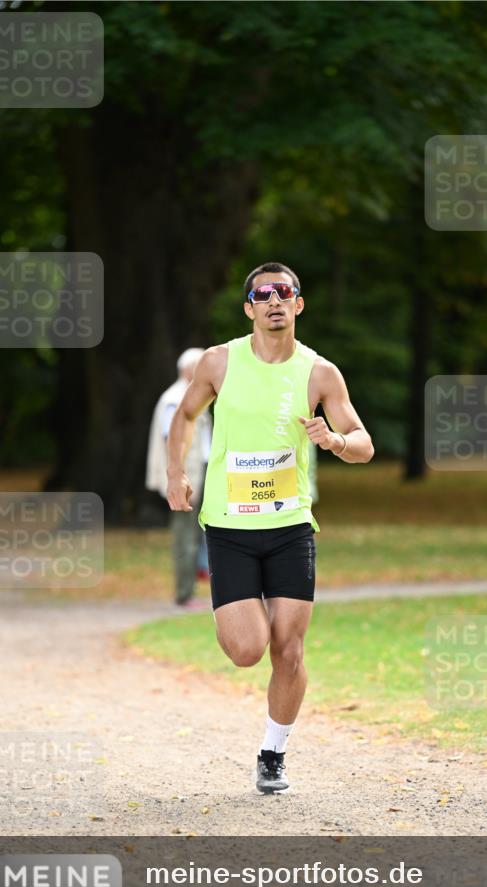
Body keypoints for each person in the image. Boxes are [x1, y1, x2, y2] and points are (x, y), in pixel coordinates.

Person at [166, 263, 373, 793]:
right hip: (230, 528)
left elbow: (363, 443)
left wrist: (334, 442)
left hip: (290, 528)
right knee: (247, 650)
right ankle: (239, 616)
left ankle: (272, 753)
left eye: (285, 292)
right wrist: (176, 474)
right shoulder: (219, 361)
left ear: (299, 304)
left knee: (290, 648)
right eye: (263, 294)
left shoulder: (319, 373)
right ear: (249, 308)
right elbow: (185, 417)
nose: (274, 300)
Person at [146, 348, 211, 607]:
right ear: (188, 370)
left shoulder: (192, 396)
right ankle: (184, 594)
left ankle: (191, 587)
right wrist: (180, 479)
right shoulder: (175, 399)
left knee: (193, 534)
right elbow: (171, 441)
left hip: (197, 475)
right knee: (185, 536)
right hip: (187, 478)